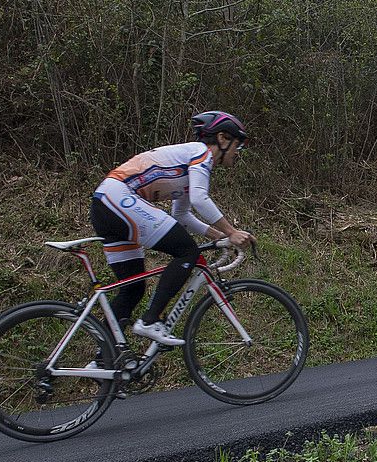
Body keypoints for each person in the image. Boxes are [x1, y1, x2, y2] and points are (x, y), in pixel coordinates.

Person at [90, 110, 255, 347]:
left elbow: (181, 214)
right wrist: (231, 231)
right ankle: (149, 321)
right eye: (237, 145)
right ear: (222, 138)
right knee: (188, 251)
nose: (238, 153)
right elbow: (200, 198)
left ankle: (103, 360)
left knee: (133, 288)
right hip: (119, 199)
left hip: (106, 205)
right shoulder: (201, 154)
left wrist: (216, 235)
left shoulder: (188, 163)